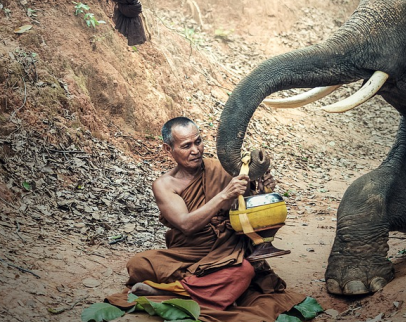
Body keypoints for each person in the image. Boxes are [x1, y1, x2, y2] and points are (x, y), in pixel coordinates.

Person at [106, 117, 306, 321]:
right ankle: (208, 290)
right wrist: (224, 195)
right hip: (190, 252)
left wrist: (264, 189)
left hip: (228, 250)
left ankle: (174, 292)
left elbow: (250, 212)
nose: (196, 150)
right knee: (139, 264)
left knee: (243, 271)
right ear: (168, 149)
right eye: (186, 146)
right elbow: (186, 224)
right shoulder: (165, 185)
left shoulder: (221, 169)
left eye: (198, 142)